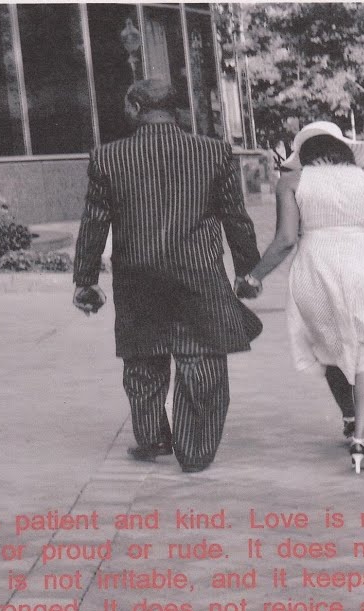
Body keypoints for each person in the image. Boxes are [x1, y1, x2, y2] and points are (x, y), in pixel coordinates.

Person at [72, 79, 262, 474]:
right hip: (199, 272)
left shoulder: (108, 157)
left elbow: (94, 223)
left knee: (143, 358)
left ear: (136, 106)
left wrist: (86, 281)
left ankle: (152, 437)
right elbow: (235, 218)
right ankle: (195, 451)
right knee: (202, 360)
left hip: (137, 276)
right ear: (175, 110)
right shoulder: (214, 152)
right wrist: (248, 271)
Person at [238, 121, 364, 473]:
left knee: (329, 348)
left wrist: (254, 277)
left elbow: (285, 240)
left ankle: (349, 414)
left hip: (317, 270)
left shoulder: (292, 182)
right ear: (343, 149)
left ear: (305, 153)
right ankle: (361, 439)